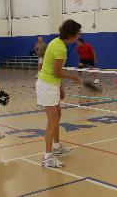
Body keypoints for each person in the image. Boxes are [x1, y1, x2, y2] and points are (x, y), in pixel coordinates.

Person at [36, 19, 82, 168]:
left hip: (52, 85)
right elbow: (57, 71)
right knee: (52, 120)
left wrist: (61, 88)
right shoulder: (60, 48)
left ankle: (56, 148)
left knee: (57, 117)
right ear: (72, 33)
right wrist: (73, 77)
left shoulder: (57, 42)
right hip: (47, 86)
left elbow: (54, 70)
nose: (79, 34)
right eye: (78, 32)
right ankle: (47, 157)